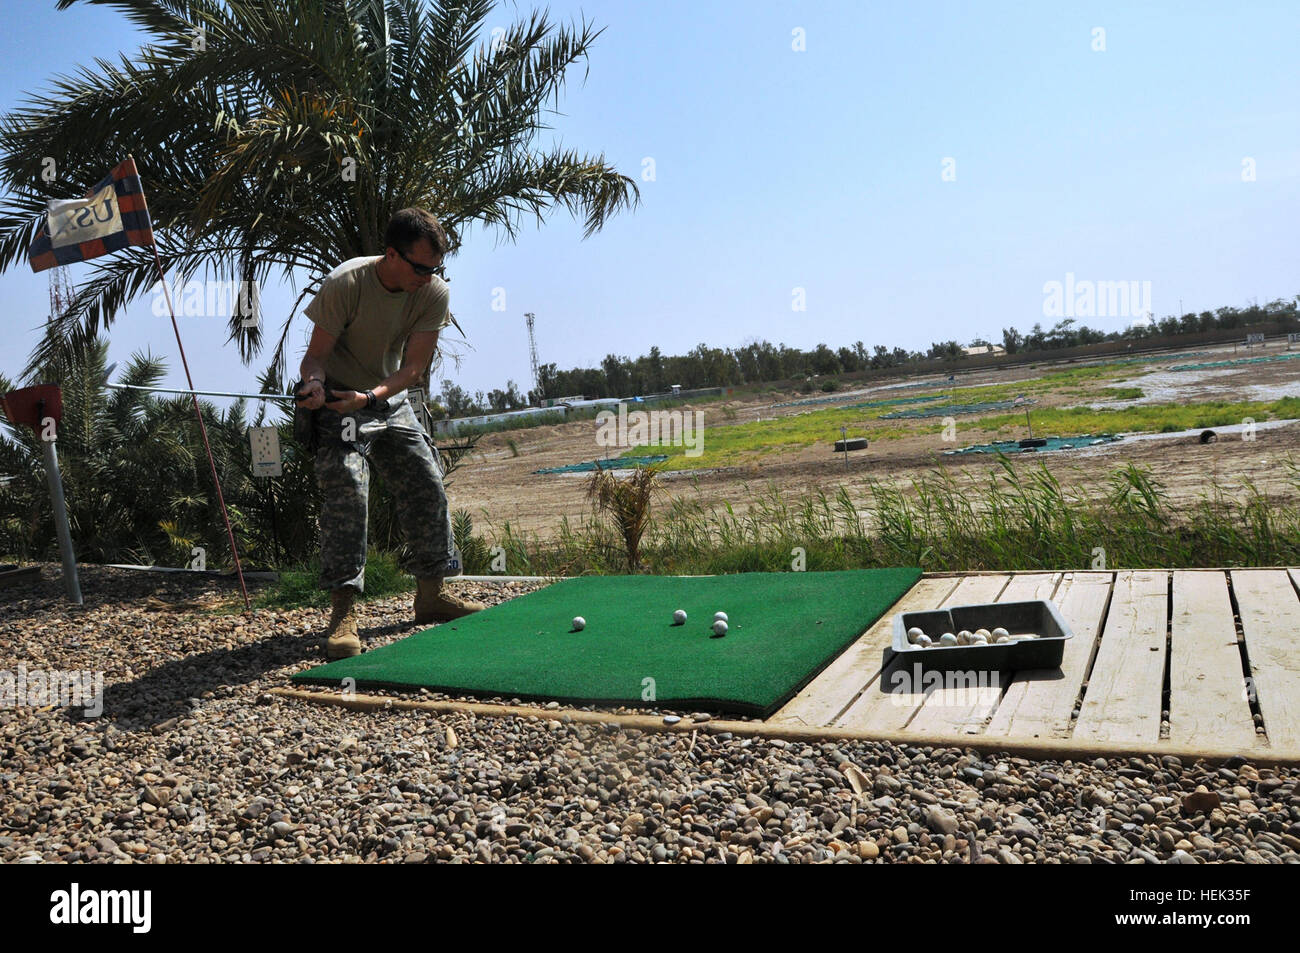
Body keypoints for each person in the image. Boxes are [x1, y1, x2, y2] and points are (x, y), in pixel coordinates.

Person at [295, 207, 484, 659]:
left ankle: (431, 595)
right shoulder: (346, 283)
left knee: (426, 482)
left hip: (386, 400)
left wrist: (371, 397)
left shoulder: (433, 291)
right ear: (391, 254)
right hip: (339, 403)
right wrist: (316, 386)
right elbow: (314, 358)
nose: (429, 276)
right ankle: (343, 614)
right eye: (420, 267)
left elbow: (414, 368)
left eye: (436, 268)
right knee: (348, 492)